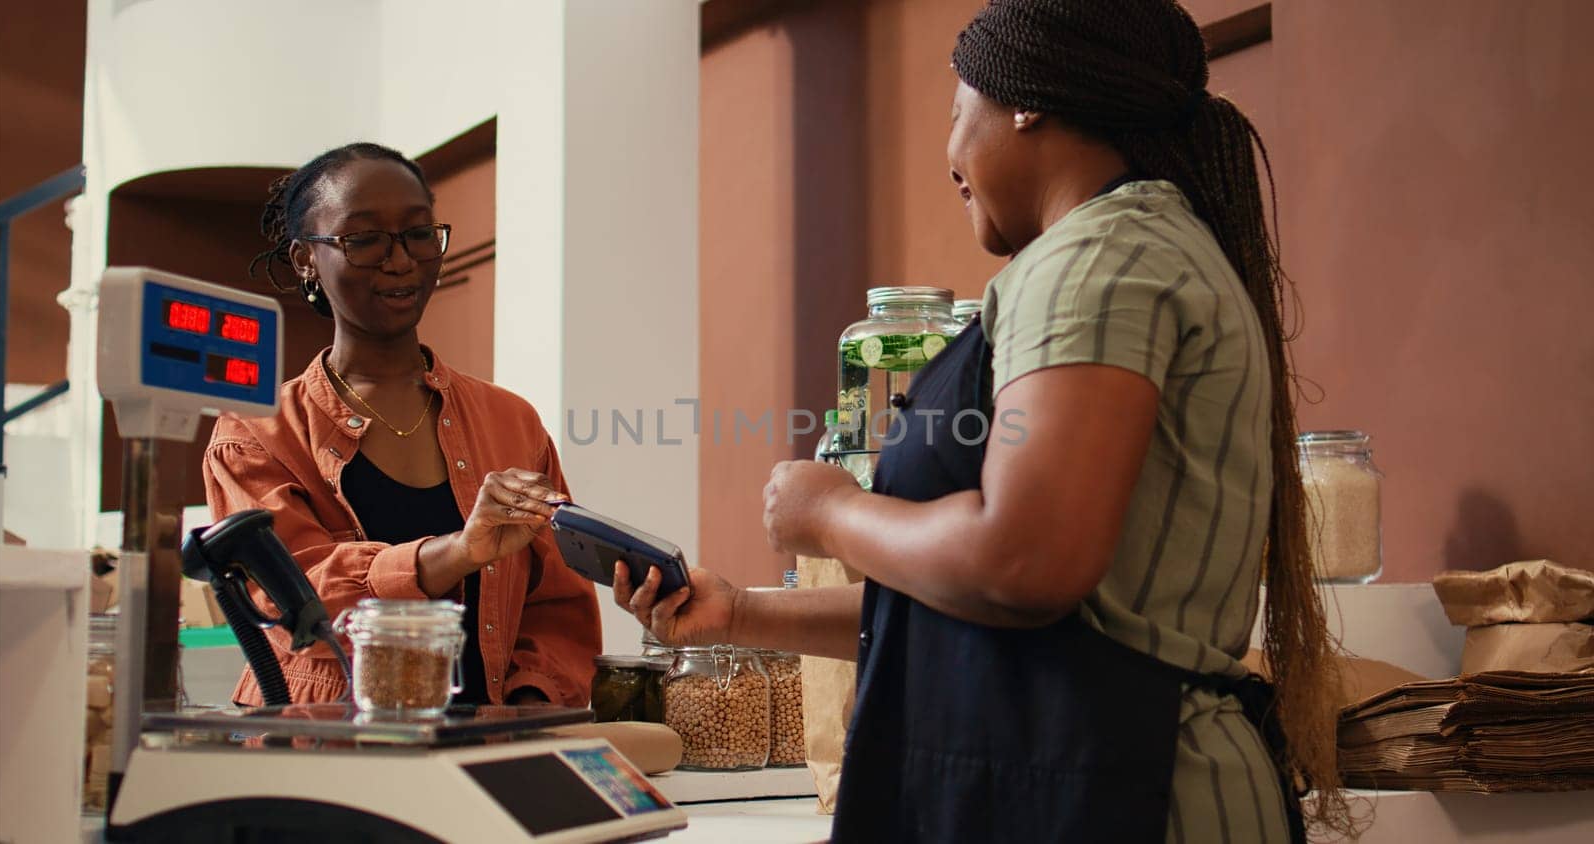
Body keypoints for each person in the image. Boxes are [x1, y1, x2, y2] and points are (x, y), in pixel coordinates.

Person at [618, 1, 1351, 841]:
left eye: (957, 114)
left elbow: (1022, 560)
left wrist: (831, 512)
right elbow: (997, 609)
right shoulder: (1138, 250)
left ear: (1026, 100)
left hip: (1119, 792)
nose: (950, 154)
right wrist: (742, 617)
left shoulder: (1096, 261)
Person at [204, 142, 600, 708]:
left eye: (418, 234)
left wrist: (524, 714)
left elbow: (558, 607)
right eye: (363, 240)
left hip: (481, 752)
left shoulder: (510, 419)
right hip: (321, 746)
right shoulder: (257, 432)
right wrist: (458, 552)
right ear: (305, 259)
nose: (400, 261)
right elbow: (292, 598)